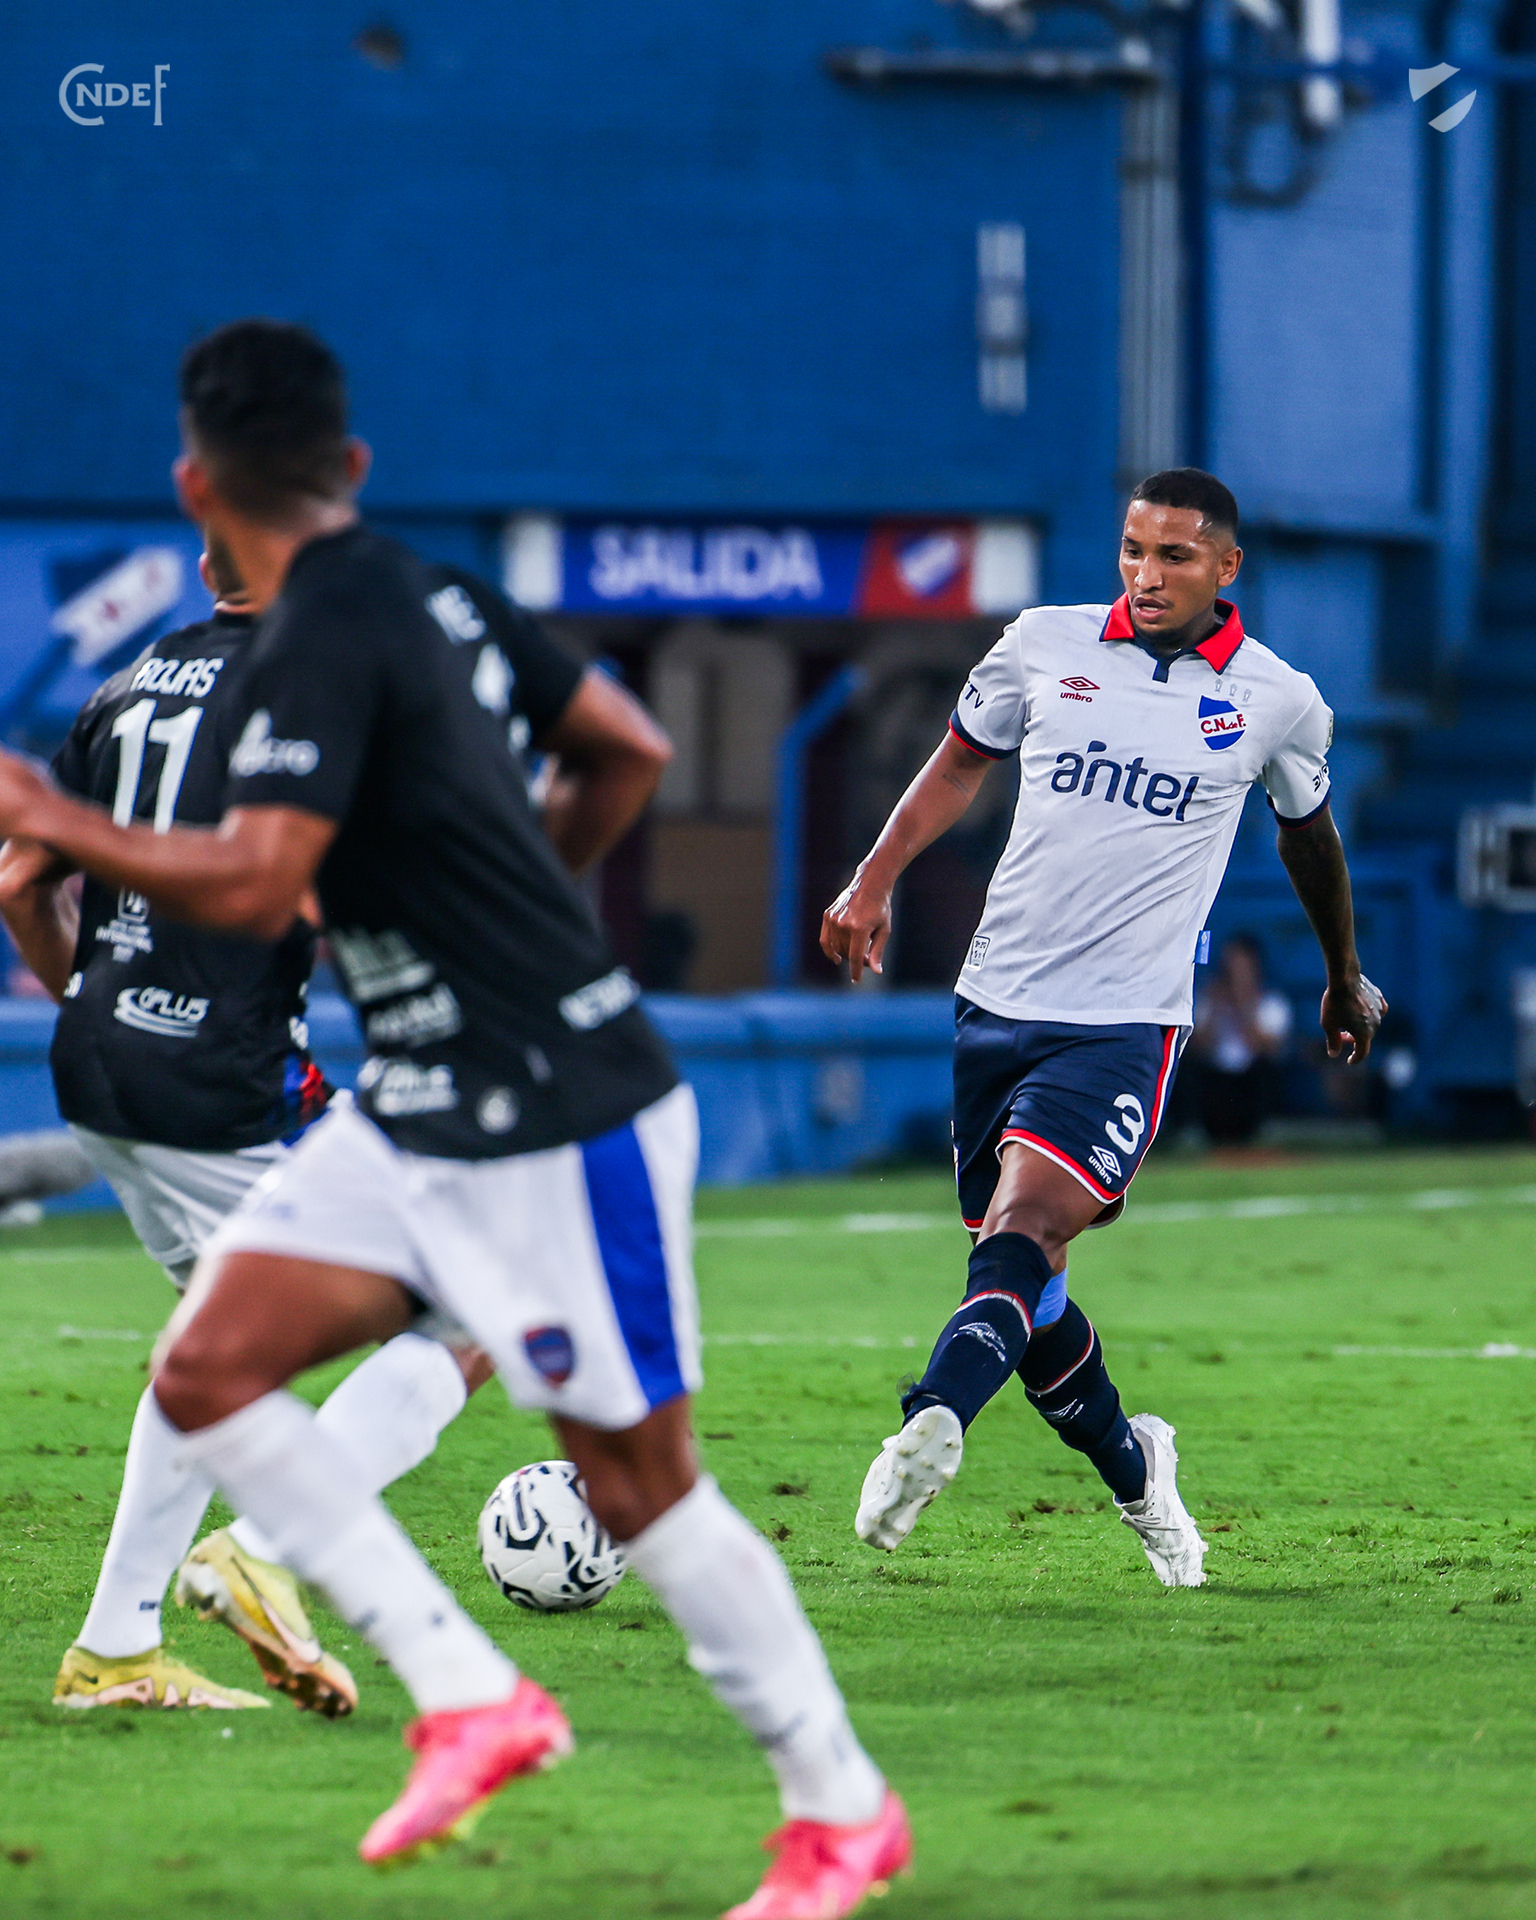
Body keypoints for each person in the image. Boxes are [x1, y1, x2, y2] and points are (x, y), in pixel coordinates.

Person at [0, 320, 907, 1920]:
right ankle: (472, 1697)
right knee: (210, 1369)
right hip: (418, 1097)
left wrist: (51, 814)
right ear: (352, 465)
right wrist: (501, 904)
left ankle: (840, 1810)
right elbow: (626, 746)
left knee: (640, 1484)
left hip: (560, 1100)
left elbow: (258, 883)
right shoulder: (442, 593)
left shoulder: (314, 631)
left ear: (195, 485)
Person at [0, 538, 673, 1715]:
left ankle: (114, 1650)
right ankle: (265, 1550)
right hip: (227, 1078)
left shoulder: (130, 684)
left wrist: (95, 1007)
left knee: (213, 1347)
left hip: (100, 1066)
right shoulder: (304, 687)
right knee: (486, 1299)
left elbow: (19, 881)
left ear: (205, 555)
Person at [822, 467, 1384, 1587]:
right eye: (1134, 549)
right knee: (1025, 1285)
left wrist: (1342, 975)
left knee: (1024, 1225)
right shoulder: (1043, 645)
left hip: (1125, 1023)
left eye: (1176, 555)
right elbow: (958, 766)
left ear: (1226, 566)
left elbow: (1308, 837)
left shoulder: (1276, 699)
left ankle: (933, 1420)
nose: (1148, 574)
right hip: (996, 1003)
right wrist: (874, 878)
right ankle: (1139, 1470)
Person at [1188, 934, 1292, 1144]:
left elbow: (1266, 1047)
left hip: (1251, 1079)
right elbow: (1198, 1046)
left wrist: (1244, 1004)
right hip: (1217, 1078)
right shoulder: (1210, 1000)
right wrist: (1217, 1008)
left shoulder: (1271, 1002)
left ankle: (1261, 1129)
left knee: (1264, 1071)